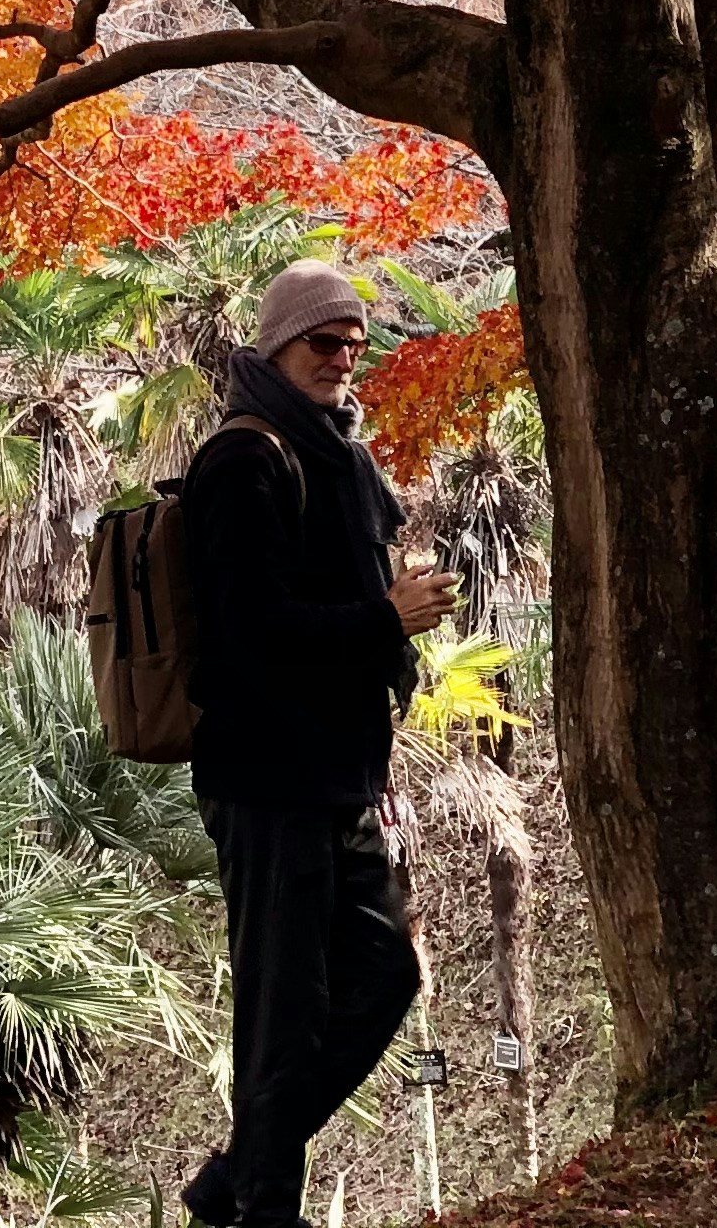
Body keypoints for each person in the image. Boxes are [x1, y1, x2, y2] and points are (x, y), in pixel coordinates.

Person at [178, 258, 457, 1228]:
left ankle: (235, 1179)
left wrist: (388, 609)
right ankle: (263, 1208)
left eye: (353, 343)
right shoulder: (245, 458)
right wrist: (385, 618)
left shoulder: (341, 455)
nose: (342, 358)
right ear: (277, 345)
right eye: (321, 342)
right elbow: (250, 634)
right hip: (265, 776)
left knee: (385, 978)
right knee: (280, 1015)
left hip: (340, 775)